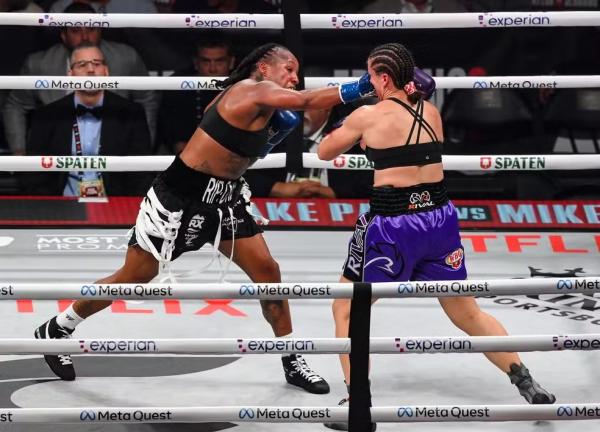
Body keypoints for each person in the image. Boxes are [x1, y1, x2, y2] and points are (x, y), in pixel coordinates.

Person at [33, 42, 377, 394]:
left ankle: (291, 358)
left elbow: (240, 155)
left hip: (225, 200)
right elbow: (306, 102)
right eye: (287, 69)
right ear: (263, 67)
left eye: (297, 71)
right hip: (180, 198)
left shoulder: (266, 108)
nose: (294, 77)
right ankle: (59, 326)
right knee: (134, 277)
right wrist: (364, 86)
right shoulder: (246, 92)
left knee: (268, 273)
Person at [317, 43, 556, 432]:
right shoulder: (431, 112)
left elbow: (327, 151)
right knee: (467, 312)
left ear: (381, 78)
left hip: (393, 224)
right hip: (440, 220)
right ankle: (525, 380)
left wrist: (358, 111)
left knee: (347, 307)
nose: (368, 82)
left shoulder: (367, 114)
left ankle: (358, 404)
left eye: (370, 76)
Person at [2, 2, 157, 155]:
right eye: (76, 30)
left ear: (100, 30)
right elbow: (16, 105)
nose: (85, 36)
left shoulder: (126, 58)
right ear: (63, 35)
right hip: (57, 156)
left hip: (114, 152)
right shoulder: (39, 64)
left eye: (91, 29)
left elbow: (147, 99)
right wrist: (19, 151)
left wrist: (143, 147)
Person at [21, 43, 152, 197]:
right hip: (61, 206)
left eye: (96, 64)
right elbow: (34, 175)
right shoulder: (47, 115)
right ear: (70, 75)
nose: (90, 70)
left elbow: (141, 175)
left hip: (115, 206)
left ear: (106, 71)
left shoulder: (131, 113)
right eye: (82, 65)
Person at [159, 38, 236, 155]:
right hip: (188, 158)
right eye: (206, 61)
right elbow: (177, 141)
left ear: (231, 62)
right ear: (196, 63)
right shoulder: (179, 86)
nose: (213, 69)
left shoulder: (244, 86)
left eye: (219, 61)